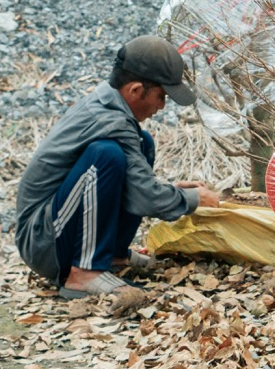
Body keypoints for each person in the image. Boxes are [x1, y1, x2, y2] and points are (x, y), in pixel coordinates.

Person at [14, 35, 221, 299]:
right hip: (42, 241)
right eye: (161, 96)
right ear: (135, 90)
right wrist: (194, 199)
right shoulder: (109, 119)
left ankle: (112, 256)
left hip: (55, 229)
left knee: (142, 143)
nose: (161, 106)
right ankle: (84, 272)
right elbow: (145, 195)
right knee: (106, 155)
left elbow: (136, 187)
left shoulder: (110, 103)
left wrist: (170, 191)